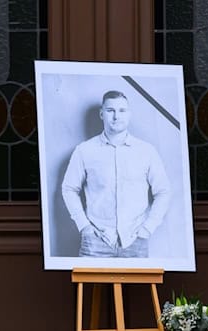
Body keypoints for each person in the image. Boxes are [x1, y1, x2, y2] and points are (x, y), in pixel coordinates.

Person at [61, 90, 171, 258]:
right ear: (101, 114)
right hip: (95, 241)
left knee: (137, 285)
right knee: (89, 285)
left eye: (122, 110)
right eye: (110, 110)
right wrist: (84, 226)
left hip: (135, 241)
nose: (116, 116)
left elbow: (163, 191)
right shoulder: (84, 151)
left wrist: (147, 229)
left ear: (129, 114)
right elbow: (69, 188)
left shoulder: (147, 151)